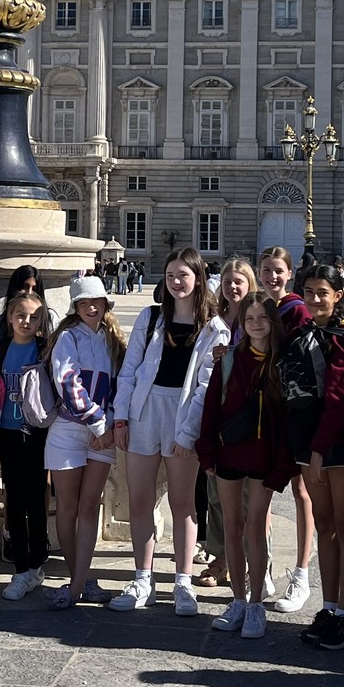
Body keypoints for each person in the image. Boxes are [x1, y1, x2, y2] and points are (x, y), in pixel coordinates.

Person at [109, 248, 230, 614]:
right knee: (140, 500)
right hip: (146, 410)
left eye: (184, 275)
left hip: (183, 412)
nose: (177, 282)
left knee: (183, 503)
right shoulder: (149, 318)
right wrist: (121, 417)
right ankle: (142, 579)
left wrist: (189, 433)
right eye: (171, 275)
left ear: (197, 278)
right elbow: (129, 372)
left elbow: (206, 387)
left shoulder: (214, 327)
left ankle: (182, 582)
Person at [282, 263, 344, 650]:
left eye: (323, 293)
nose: (316, 299)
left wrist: (318, 449)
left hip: (338, 444)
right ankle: (329, 606)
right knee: (326, 525)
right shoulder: (298, 332)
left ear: (338, 296)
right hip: (306, 442)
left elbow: (340, 397)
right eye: (310, 292)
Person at [198, 292, 291, 642]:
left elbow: (288, 421)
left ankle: (255, 603)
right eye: (249, 318)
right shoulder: (229, 360)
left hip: (264, 458)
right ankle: (237, 599)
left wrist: (282, 467)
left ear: (272, 323)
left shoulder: (282, 363)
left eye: (262, 318)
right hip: (229, 455)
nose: (255, 324)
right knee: (232, 528)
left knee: (256, 527)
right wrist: (206, 453)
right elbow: (211, 407)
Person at [45, 274, 124, 608]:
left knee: (90, 505)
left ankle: (78, 583)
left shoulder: (114, 340)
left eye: (97, 301)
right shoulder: (67, 337)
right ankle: (81, 580)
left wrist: (108, 426)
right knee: (68, 506)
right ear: (75, 307)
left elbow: (122, 384)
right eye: (84, 302)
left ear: (106, 303)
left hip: (101, 433)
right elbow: (68, 383)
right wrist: (101, 424)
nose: (92, 307)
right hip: (70, 428)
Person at [257, 246, 315, 615]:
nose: (272, 276)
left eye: (278, 270)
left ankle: (302, 575)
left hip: (294, 409)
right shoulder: (260, 307)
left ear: (290, 274)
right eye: (266, 270)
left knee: (302, 491)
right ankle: (261, 568)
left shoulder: (297, 310)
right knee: (260, 487)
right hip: (264, 409)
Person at [0, 289, 52, 601]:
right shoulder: (0, 348)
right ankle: (21, 568)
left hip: (37, 433)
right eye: (21, 315)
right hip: (8, 432)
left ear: (42, 321)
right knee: (14, 498)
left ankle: (37, 562)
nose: (27, 321)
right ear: (10, 318)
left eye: (34, 316)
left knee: (36, 498)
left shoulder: (44, 349)